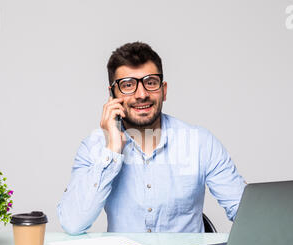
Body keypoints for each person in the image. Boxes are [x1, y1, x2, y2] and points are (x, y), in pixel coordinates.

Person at [57, 41, 246, 234]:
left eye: (150, 83)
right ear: (112, 95)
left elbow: (245, 212)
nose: (142, 94)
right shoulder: (94, 147)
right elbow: (73, 223)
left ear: (163, 90)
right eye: (128, 85)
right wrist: (112, 150)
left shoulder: (200, 142)